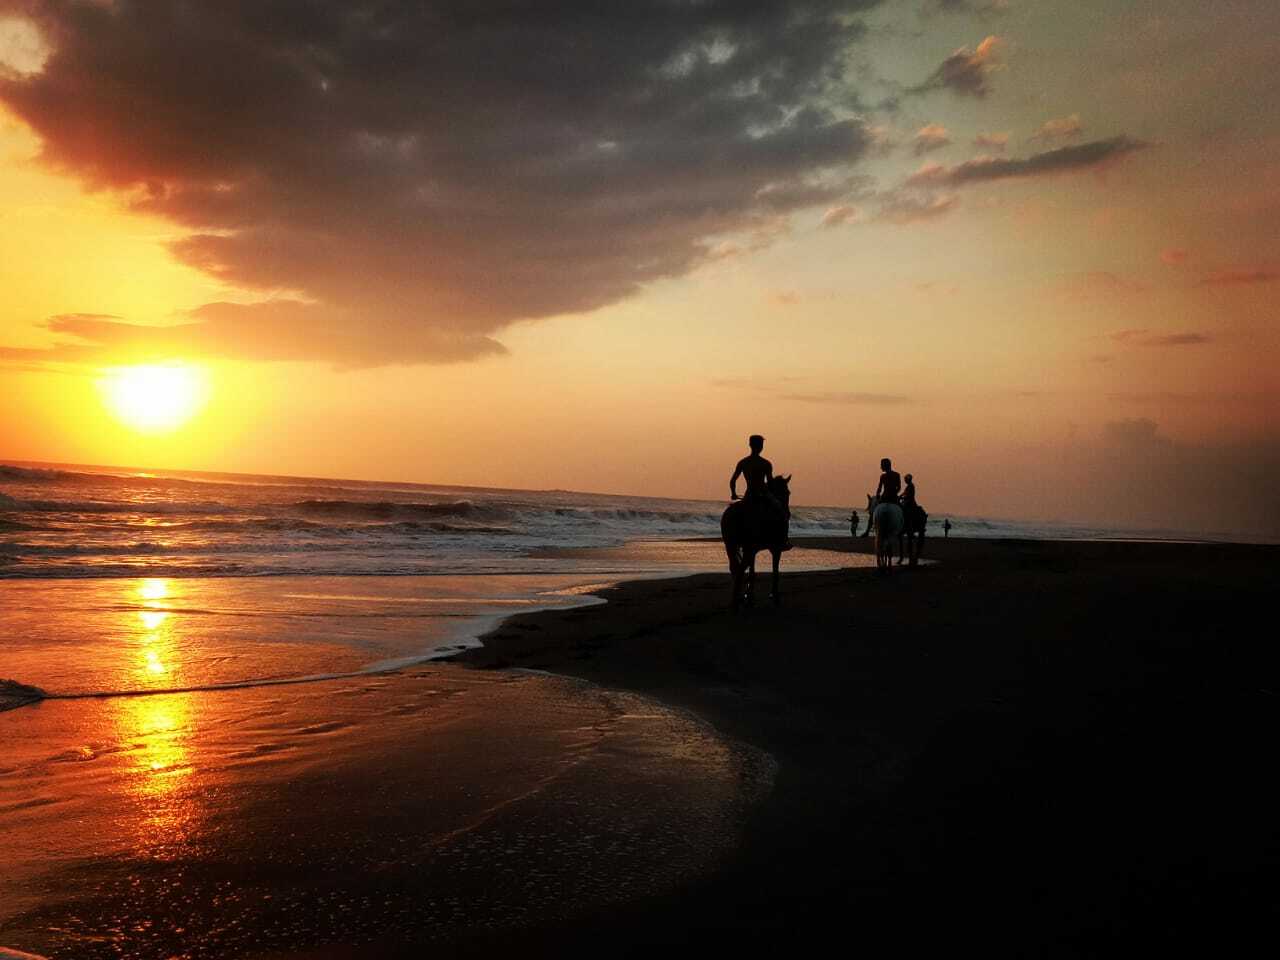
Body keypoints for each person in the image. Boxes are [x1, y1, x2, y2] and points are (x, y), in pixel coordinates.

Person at [730, 435, 791, 549]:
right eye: (761, 445)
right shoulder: (766, 463)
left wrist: (733, 493)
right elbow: (771, 484)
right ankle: (783, 540)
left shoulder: (743, 462)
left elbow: (733, 480)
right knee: (783, 512)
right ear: (761, 447)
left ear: (750, 445)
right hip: (764, 494)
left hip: (749, 495)